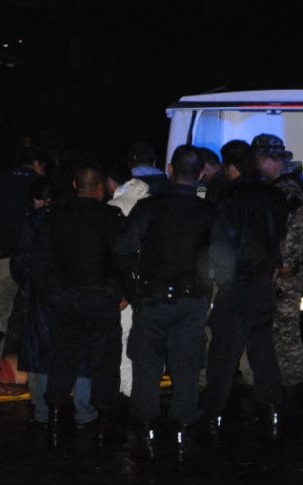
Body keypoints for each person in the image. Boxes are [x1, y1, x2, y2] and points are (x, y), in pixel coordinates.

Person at [114, 145, 215, 460]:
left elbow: (122, 248)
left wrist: (132, 288)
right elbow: (223, 256)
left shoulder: (149, 208)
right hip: (191, 300)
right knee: (186, 366)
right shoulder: (209, 212)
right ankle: (183, 428)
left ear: (170, 170)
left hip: (152, 298)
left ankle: (146, 430)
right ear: (201, 174)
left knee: (146, 366)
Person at [31, 163, 127, 449]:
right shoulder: (111, 218)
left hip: (65, 298)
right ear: (100, 187)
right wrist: (122, 292)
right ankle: (103, 428)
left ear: (75, 185)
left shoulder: (55, 216)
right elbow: (123, 259)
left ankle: (55, 424)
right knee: (104, 362)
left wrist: (52, 291)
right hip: (100, 299)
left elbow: (41, 260)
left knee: (61, 359)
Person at [201, 140, 289, 444]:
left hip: (237, 284)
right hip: (264, 282)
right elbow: (279, 237)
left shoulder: (229, 198)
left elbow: (220, 245)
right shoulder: (274, 195)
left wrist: (220, 280)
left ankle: (213, 415)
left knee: (223, 352)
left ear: (230, 168)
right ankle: (273, 410)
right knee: (262, 347)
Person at [16, 177, 98, 428]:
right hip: (73, 292)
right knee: (80, 351)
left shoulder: (33, 222)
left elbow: (21, 262)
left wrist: (28, 285)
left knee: (43, 353)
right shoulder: (74, 217)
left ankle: (44, 411)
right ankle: (84, 411)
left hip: (42, 295)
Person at [0, 146, 45, 414]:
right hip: (32, 265)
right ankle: (39, 395)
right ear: (36, 164)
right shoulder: (41, 186)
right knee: (36, 326)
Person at [252, 133, 303, 411]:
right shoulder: (280, 186)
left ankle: (291, 392)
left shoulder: (286, 188)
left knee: (285, 334)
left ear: (266, 160)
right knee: (280, 333)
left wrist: (286, 262)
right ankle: (286, 391)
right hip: (281, 269)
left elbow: (299, 224)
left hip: (284, 273)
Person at [105, 161, 150, 399]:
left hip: (125, 286)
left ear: (111, 182)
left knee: (123, 339)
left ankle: (127, 391)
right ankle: (144, 390)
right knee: (147, 338)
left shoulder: (113, 207)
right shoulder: (151, 202)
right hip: (150, 285)